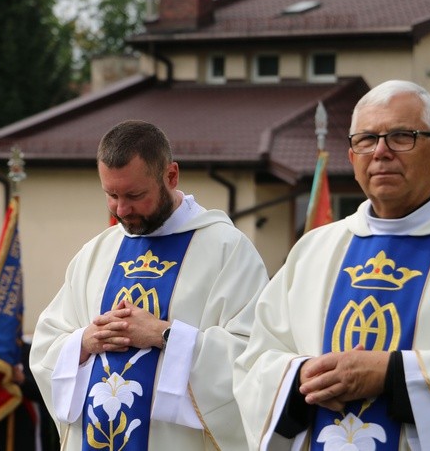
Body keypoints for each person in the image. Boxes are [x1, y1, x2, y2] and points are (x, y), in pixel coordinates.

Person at [234, 80, 430, 451]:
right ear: (352, 157)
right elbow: (254, 363)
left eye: (402, 136)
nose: (381, 152)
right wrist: (299, 375)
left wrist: (394, 374)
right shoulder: (315, 249)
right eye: (366, 140)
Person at [30, 120, 269, 450]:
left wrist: (165, 335)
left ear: (171, 176)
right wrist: (83, 342)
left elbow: (255, 358)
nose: (121, 210)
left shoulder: (227, 250)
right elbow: (45, 347)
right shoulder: (96, 253)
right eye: (111, 195)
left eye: (134, 195)